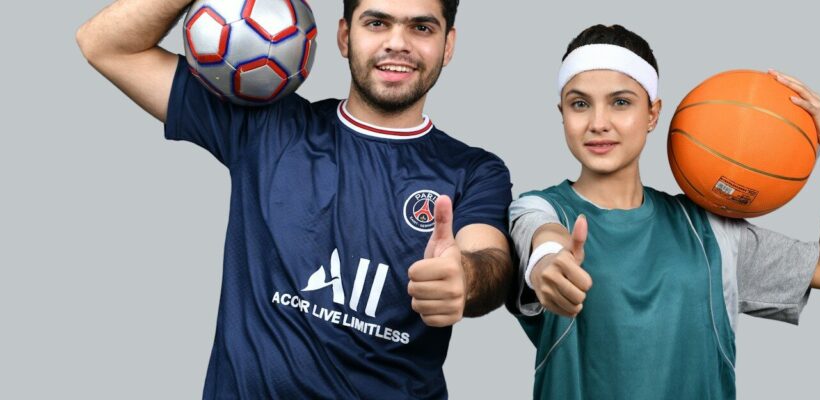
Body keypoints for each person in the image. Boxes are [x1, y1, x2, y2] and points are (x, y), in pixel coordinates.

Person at [76, 0, 515, 398]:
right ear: (344, 36)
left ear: (448, 45)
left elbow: (488, 257)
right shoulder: (267, 126)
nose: (397, 44)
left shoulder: (474, 169)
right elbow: (104, 44)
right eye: (377, 23)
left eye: (422, 28)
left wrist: (465, 277)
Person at [508, 24, 820, 399]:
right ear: (562, 113)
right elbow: (540, 236)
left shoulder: (710, 229)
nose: (598, 123)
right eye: (580, 104)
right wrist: (547, 260)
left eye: (621, 102)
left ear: (653, 114)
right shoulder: (539, 208)